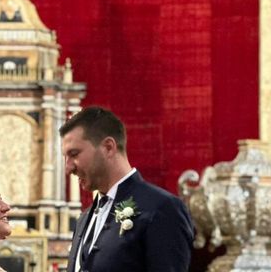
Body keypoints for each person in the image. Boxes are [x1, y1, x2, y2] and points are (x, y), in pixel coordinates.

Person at [59, 106, 194, 272]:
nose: (68, 168)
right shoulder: (84, 218)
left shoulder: (162, 208)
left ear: (108, 147)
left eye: (74, 154)